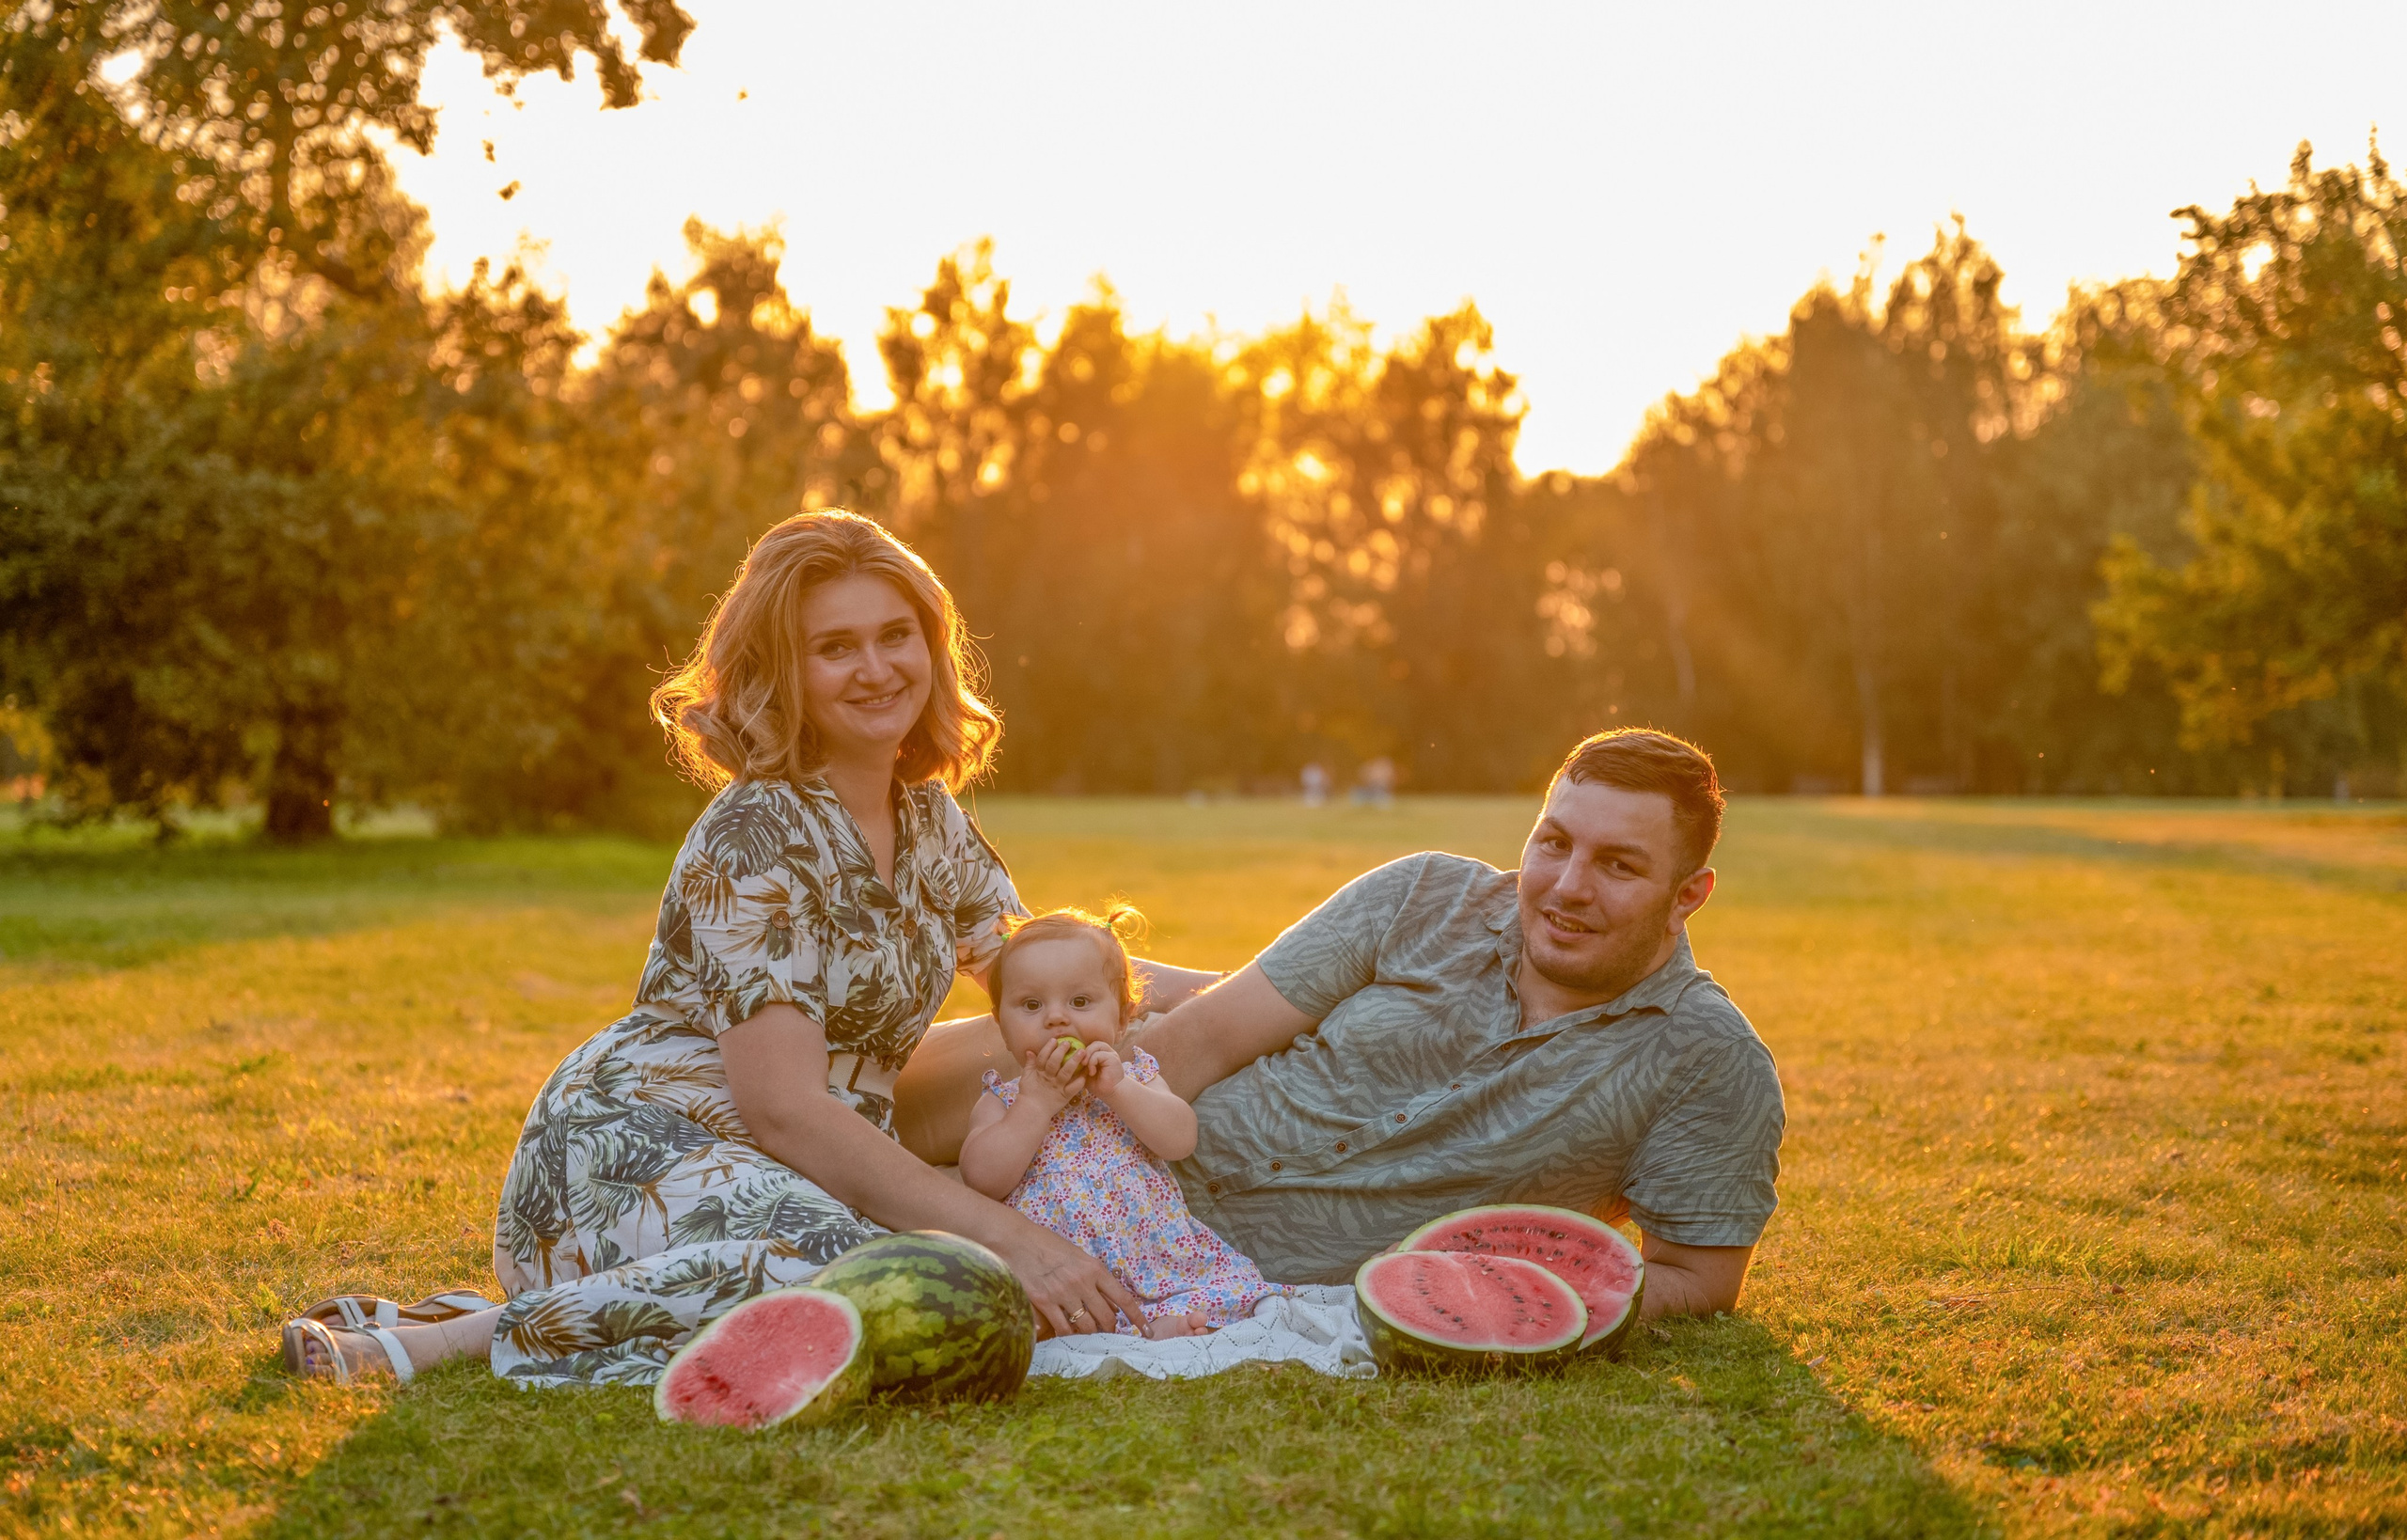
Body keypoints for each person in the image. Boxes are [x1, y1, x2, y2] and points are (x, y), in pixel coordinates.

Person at [281, 511, 1220, 1386]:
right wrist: (1019, 1240)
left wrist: (1236, 986)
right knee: (866, 1269)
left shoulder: (927, 817)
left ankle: (484, 1314)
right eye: (834, 647)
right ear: (783, 671)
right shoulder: (756, 835)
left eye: (896, 636)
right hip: (634, 1144)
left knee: (920, 1271)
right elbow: (785, 1112)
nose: (876, 668)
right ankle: (423, 1345)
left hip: (801, 1165)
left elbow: (1048, 964)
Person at [902, 728, 1783, 1318]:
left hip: (1204, 1274)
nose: (1567, 887)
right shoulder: (1423, 894)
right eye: (1553, 843)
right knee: (825, 1124)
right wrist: (1038, 1154)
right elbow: (1203, 1039)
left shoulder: (1706, 1062)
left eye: (1619, 865)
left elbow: (1698, 1276)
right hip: (1094, 1147)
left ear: (1689, 896)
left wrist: (1516, 1297)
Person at [958, 905, 1282, 1340]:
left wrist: (1120, 1091)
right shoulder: (1005, 1098)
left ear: (1122, 1016)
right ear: (1001, 1023)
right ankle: (1114, 1329)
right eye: (1031, 1005)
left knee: (1202, 1289)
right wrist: (1034, 1106)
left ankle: (1163, 1319)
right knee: (1023, 1317)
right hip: (1062, 1266)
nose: (1055, 1018)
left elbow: (1180, 1139)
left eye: (1079, 1001)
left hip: (1153, 1255)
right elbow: (982, 1179)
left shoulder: (1135, 1079)